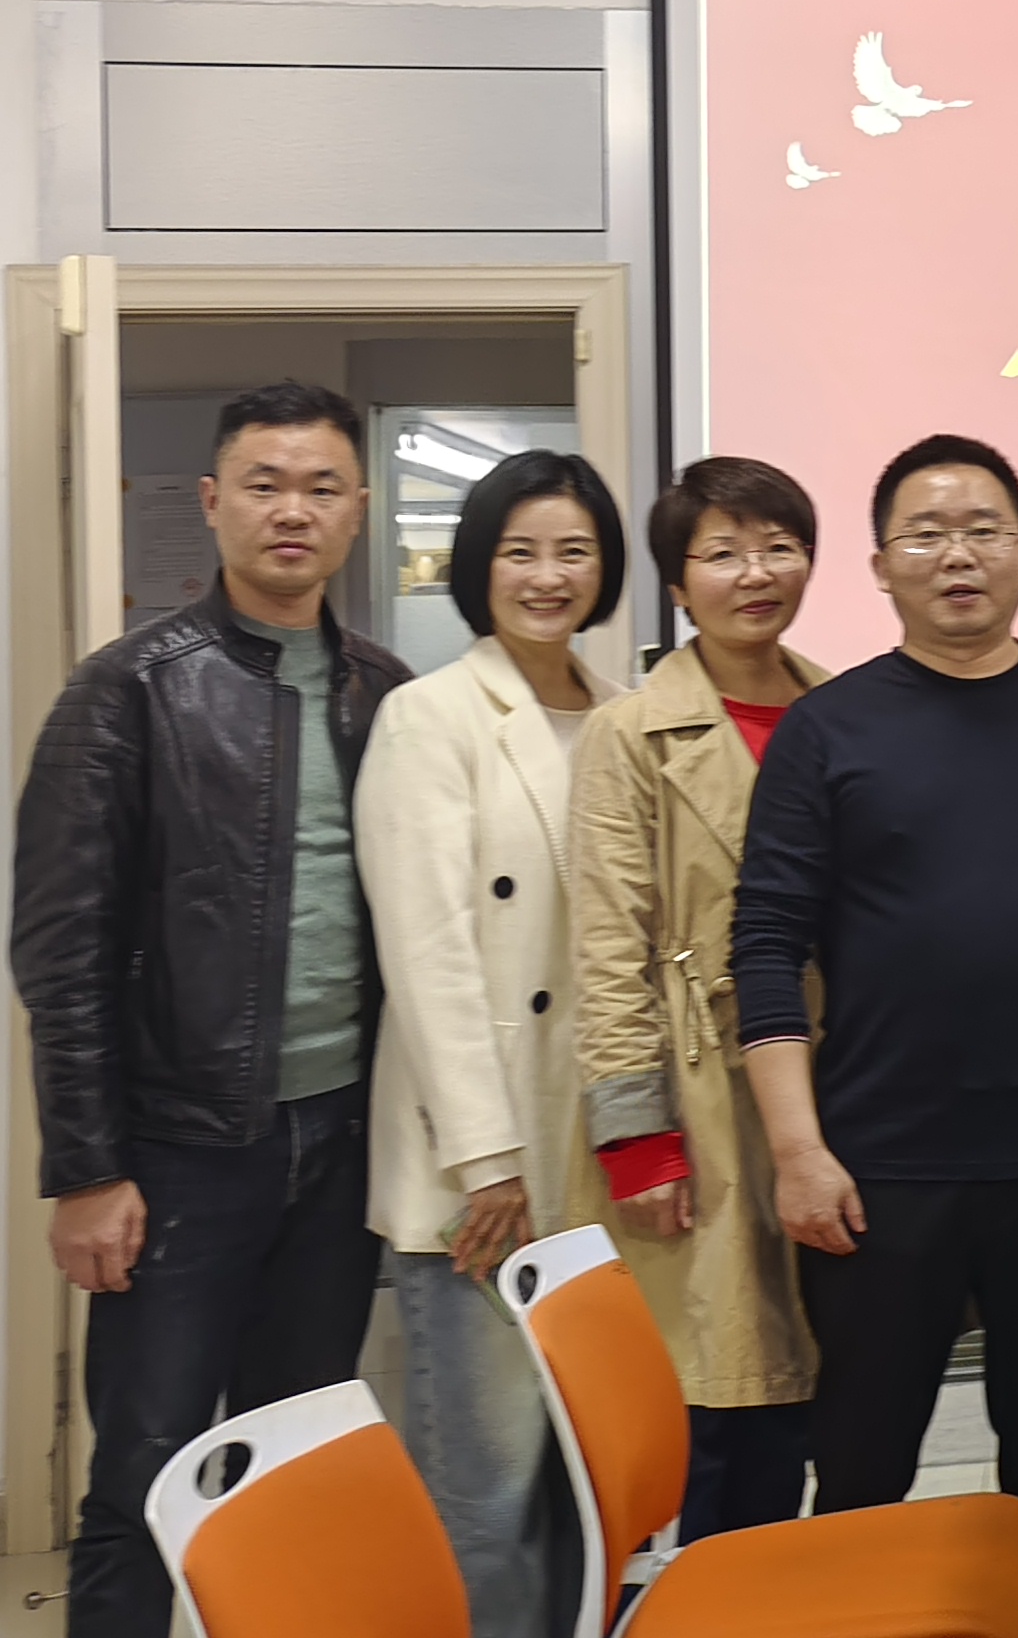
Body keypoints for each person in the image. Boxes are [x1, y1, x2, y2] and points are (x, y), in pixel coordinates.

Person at [10, 381, 408, 1638]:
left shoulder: (384, 693)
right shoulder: (127, 692)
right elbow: (62, 950)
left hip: (341, 1144)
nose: (292, 511)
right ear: (212, 501)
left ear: (358, 509)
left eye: (321, 488)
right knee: (145, 1472)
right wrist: (86, 1168)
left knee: (294, 1463)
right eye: (264, 484)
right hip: (182, 1153)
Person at [728, 435, 1018, 1510]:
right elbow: (767, 944)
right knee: (863, 1468)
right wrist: (797, 1151)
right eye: (925, 535)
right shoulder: (828, 729)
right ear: (881, 566)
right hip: (878, 1169)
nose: (957, 555)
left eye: (983, 531)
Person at [355, 451, 626, 1638]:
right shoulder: (429, 717)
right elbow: (429, 956)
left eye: (573, 550)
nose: (547, 576)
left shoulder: (617, 713)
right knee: (490, 1491)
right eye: (520, 551)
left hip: (596, 1160)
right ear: (478, 565)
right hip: (486, 1171)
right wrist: (487, 1159)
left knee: (587, 1481)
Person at [570, 456, 829, 1538]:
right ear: (679, 584)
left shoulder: (843, 708)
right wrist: (638, 1140)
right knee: (718, 1397)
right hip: (700, 1097)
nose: (754, 574)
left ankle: (783, 1593)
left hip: (830, 1082)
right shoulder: (629, 733)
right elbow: (607, 943)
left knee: (816, 1386)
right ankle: (712, 1597)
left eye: (777, 547)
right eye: (722, 554)